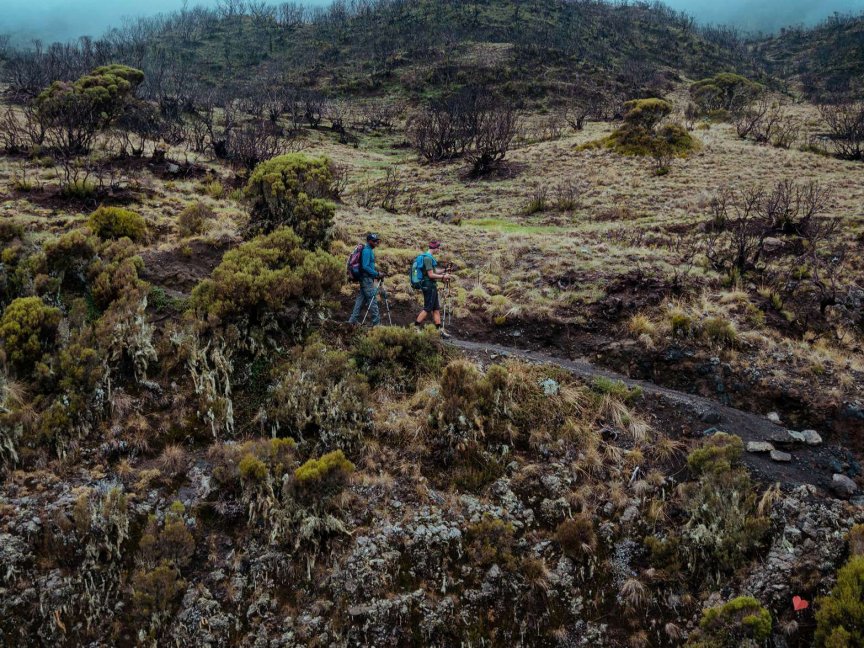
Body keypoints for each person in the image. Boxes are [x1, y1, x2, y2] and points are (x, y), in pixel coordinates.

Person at [414, 240, 452, 337]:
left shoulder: (428, 257)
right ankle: (415, 328)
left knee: (436, 308)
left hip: (431, 286)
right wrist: (443, 277)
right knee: (427, 308)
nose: (439, 249)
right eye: (438, 248)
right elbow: (431, 275)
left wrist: (444, 270)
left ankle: (439, 330)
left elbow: (433, 271)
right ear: (434, 248)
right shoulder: (427, 258)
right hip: (429, 286)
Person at [348, 233, 384, 326]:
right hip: (366, 279)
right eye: (374, 241)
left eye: (377, 241)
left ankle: (352, 321)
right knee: (372, 300)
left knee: (361, 299)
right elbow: (365, 266)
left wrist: (375, 274)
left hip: (366, 279)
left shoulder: (368, 250)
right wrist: (376, 274)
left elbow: (367, 266)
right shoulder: (367, 251)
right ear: (369, 241)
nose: (376, 243)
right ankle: (376, 324)